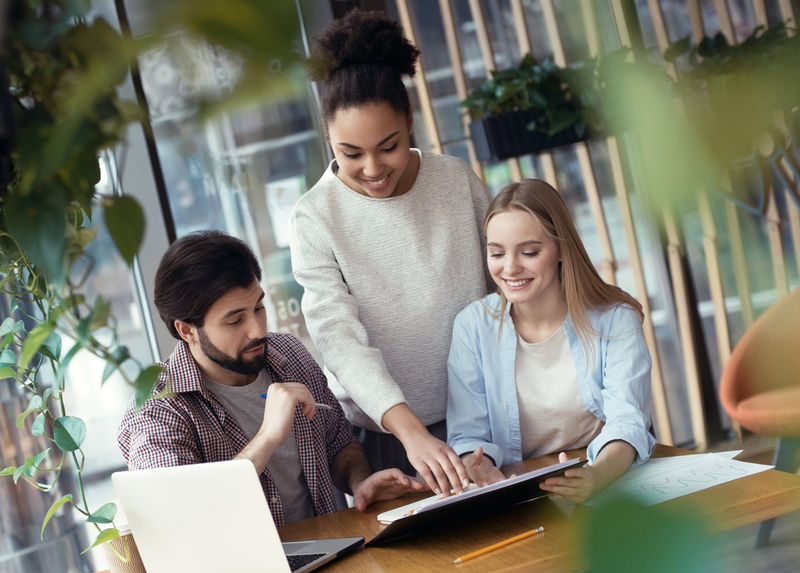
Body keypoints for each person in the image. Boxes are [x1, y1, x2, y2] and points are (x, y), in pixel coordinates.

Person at [289, 9, 492, 496]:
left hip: (485, 422)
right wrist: (412, 433)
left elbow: (504, 286)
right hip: (387, 439)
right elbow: (339, 340)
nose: (373, 168)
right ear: (328, 139)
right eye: (351, 153)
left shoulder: (455, 180)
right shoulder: (314, 217)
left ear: (410, 123)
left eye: (389, 146)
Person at [117, 231, 425, 526]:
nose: (258, 330)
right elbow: (178, 516)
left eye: (259, 308)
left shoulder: (288, 354)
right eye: (235, 320)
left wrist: (360, 482)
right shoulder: (157, 408)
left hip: (333, 550)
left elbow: (339, 444)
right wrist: (267, 437)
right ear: (187, 331)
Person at [446, 179, 655, 503]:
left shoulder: (616, 317)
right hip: (520, 492)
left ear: (561, 248)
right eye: (497, 253)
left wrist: (595, 476)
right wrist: (479, 467)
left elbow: (627, 422)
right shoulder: (473, 326)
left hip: (607, 479)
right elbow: (468, 435)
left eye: (529, 252)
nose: (510, 268)